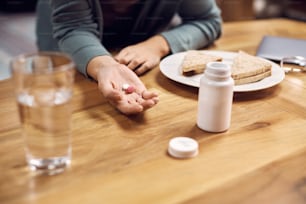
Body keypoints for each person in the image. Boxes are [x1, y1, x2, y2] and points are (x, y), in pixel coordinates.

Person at [36, 0, 222, 115]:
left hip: (138, 64)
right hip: (65, 63)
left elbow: (208, 20)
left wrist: (157, 45)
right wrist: (105, 66)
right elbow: (73, 29)